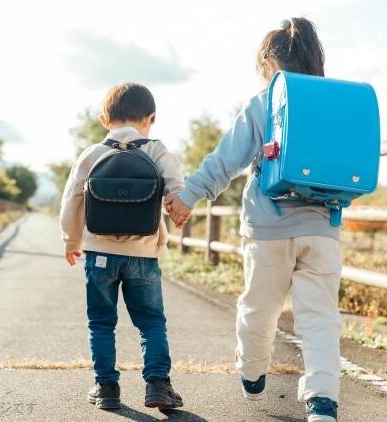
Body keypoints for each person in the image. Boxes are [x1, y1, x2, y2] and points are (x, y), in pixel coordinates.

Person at [165, 17, 342, 422]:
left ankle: (252, 371)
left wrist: (189, 195)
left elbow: (227, 159)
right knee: (320, 318)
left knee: (259, 307)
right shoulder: (332, 100)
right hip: (323, 227)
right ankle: (322, 402)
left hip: (269, 227)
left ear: (268, 63)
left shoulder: (264, 102)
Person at [60, 82, 185, 411]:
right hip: (144, 254)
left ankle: (106, 388)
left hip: (99, 254)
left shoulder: (93, 154)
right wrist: (177, 208)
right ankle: (158, 384)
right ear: (150, 118)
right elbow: (177, 188)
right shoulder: (156, 150)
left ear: (105, 119)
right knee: (151, 321)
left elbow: (71, 202)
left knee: (101, 322)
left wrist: (72, 242)